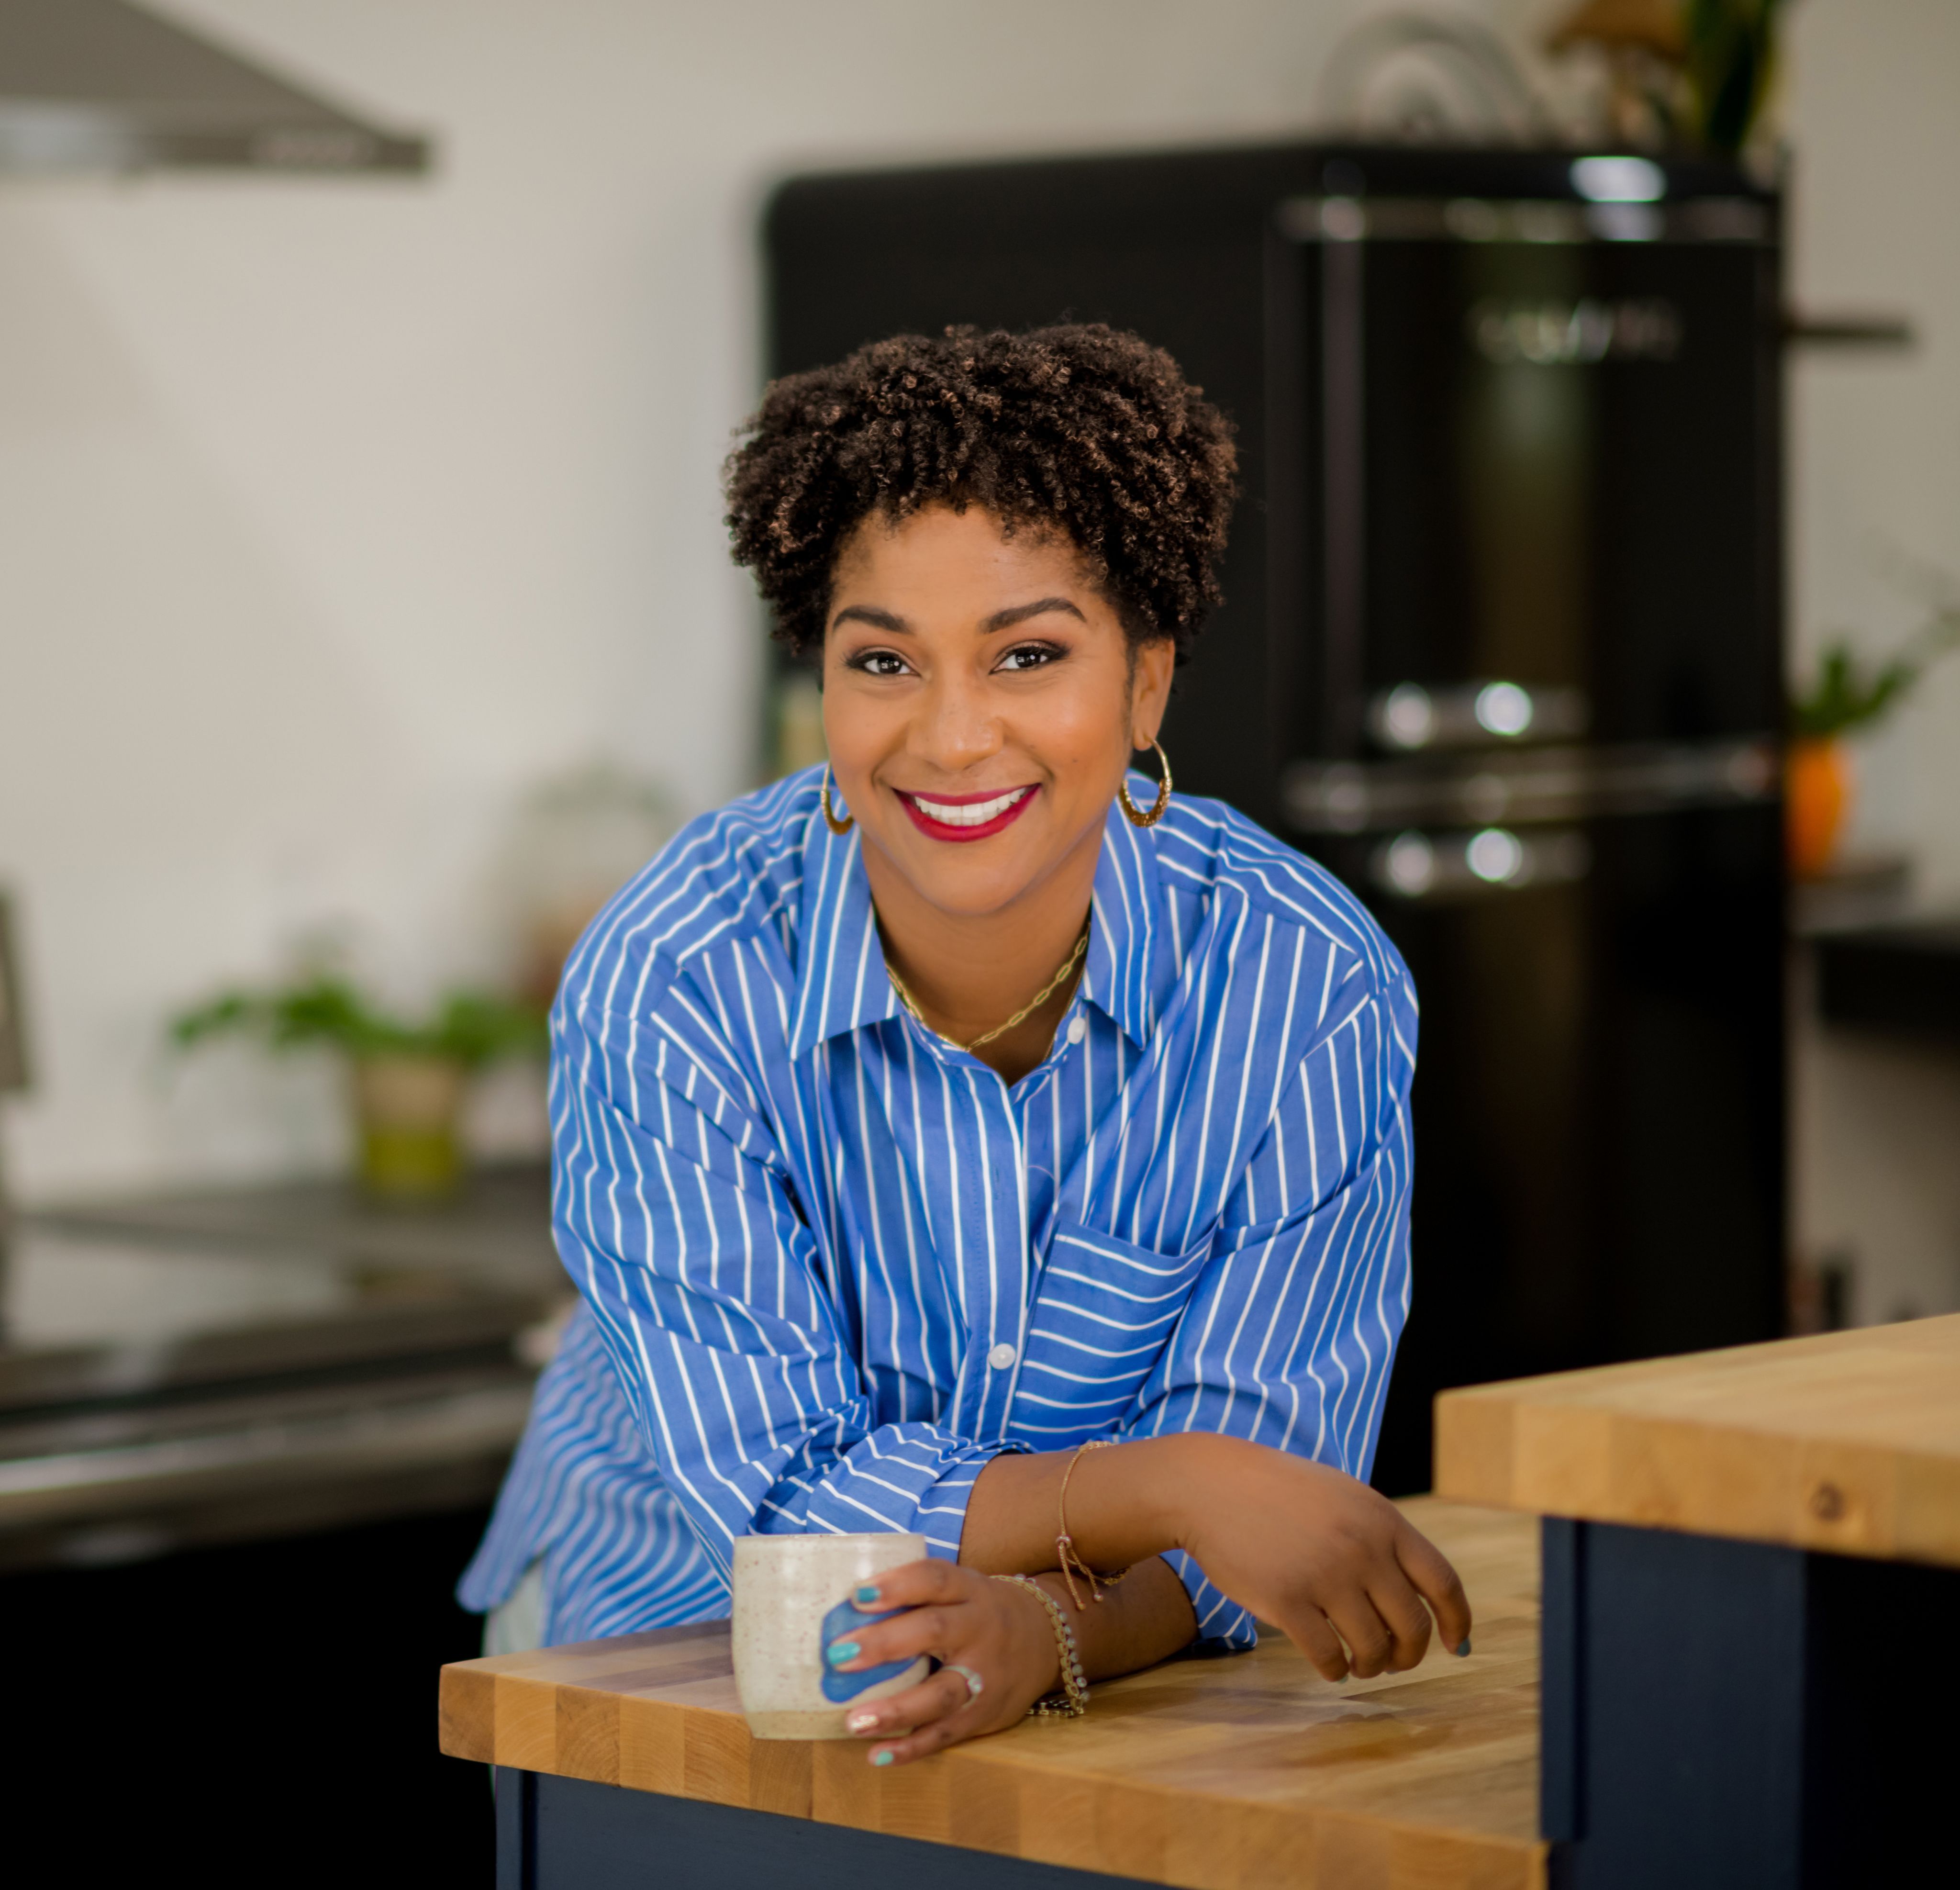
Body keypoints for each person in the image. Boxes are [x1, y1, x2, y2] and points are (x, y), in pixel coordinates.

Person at [460, 323, 1469, 1767]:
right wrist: (1177, 1482)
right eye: (884, 661)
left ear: (1146, 686)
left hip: (1103, 1707)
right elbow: (789, 1505)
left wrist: (1052, 1632)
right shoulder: (675, 974)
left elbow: (1253, 1534)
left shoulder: (1302, 990)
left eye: (1030, 655)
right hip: (658, 1667)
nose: (950, 735)